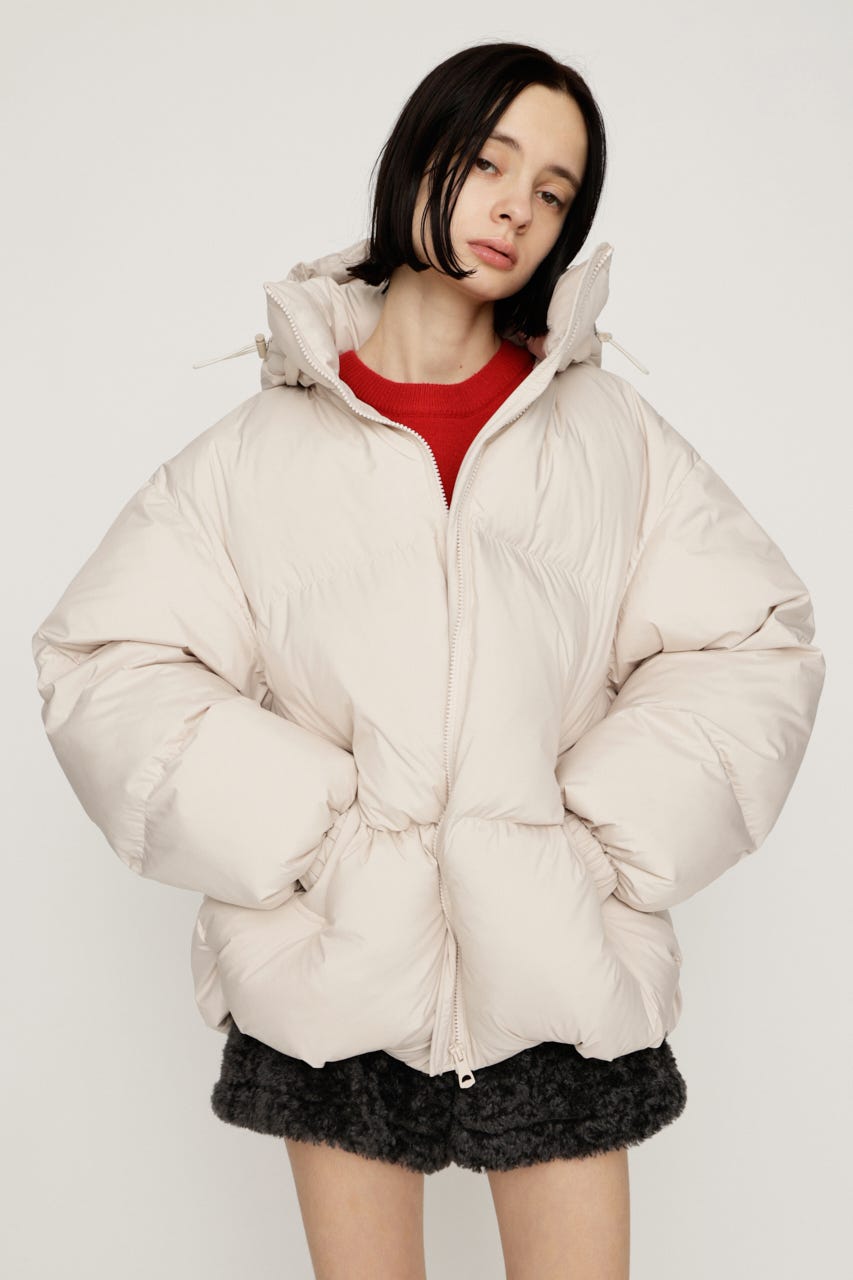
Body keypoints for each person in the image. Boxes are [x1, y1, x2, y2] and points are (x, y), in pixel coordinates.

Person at [31, 39, 826, 1280]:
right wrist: (306, 825)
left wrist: (593, 831)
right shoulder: (255, 453)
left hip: (556, 969)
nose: (517, 207)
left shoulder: (608, 436)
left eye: (554, 190)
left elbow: (754, 641)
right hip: (333, 979)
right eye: (491, 162)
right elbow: (103, 661)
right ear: (421, 157)